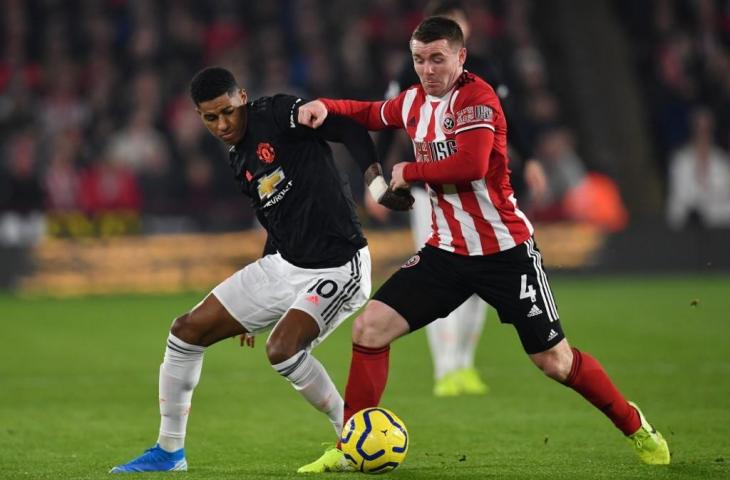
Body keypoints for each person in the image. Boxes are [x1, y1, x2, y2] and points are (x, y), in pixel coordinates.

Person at [297, 17, 670, 471]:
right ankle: (348, 448)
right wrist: (323, 106)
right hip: (446, 255)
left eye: (438, 58)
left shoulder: (478, 99)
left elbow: (470, 164)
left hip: (505, 254)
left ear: (460, 57)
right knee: (369, 329)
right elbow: (372, 113)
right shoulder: (414, 102)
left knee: (554, 360)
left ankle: (635, 427)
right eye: (419, 60)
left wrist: (408, 172)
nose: (428, 69)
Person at [109, 66, 413, 473]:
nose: (221, 124)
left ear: (243, 98)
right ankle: (169, 452)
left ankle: (351, 435)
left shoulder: (280, 113)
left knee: (282, 350)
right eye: (210, 118)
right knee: (185, 332)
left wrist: (377, 187)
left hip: (339, 265)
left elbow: (351, 130)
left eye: (227, 112)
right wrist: (256, 308)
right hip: (283, 264)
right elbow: (276, 220)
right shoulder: (238, 158)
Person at [374, 0, 548, 397]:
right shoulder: (411, 69)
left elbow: (510, 115)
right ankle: (444, 368)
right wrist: (379, 178)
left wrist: (531, 157)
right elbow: (387, 119)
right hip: (429, 192)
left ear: (463, 36)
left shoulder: (485, 68)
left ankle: (464, 364)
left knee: (478, 287)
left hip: (480, 194)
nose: (431, 63)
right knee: (435, 277)